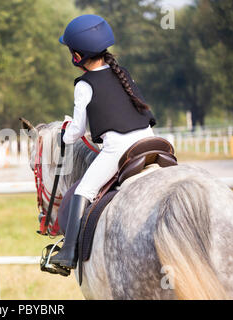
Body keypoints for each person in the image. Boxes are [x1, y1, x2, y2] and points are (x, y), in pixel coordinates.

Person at [50, 14, 156, 269]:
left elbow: (76, 131)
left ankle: (67, 255)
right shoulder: (123, 73)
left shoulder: (83, 85)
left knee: (83, 190)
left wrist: (63, 135)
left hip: (119, 150)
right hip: (151, 141)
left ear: (77, 55)